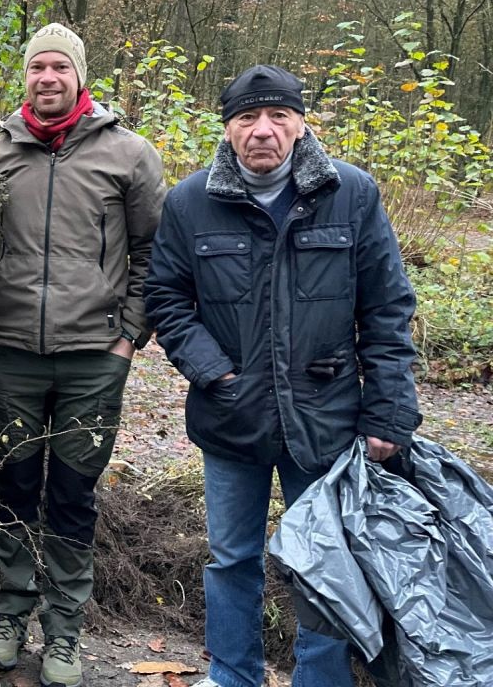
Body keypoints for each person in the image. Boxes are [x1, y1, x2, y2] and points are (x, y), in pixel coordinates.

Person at [144, 65, 423, 687]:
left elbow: (386, 308)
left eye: (277, 116)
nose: (262, 131)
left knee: (325, 562)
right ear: (228, 128)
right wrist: (212, 370)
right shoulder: (191, 202)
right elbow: (164, 297)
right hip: (231, 413)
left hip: (326, 416)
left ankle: (321, 681)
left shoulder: (351, 194)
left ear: (301, 124)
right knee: (231, 557)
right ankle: (233, 675)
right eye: (247, 118)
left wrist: (389, 413)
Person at [0, 23, 166, 687]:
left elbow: (153, 254)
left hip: (93, 356)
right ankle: (9, 614)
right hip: (14, 354)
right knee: (14, 485)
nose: (48, 77)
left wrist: (126, 338)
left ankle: (64, 632)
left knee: (74, 493)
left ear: (80, 76)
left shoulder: (129, 155)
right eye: (38, 67)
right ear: (25, 76)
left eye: (60, 67)